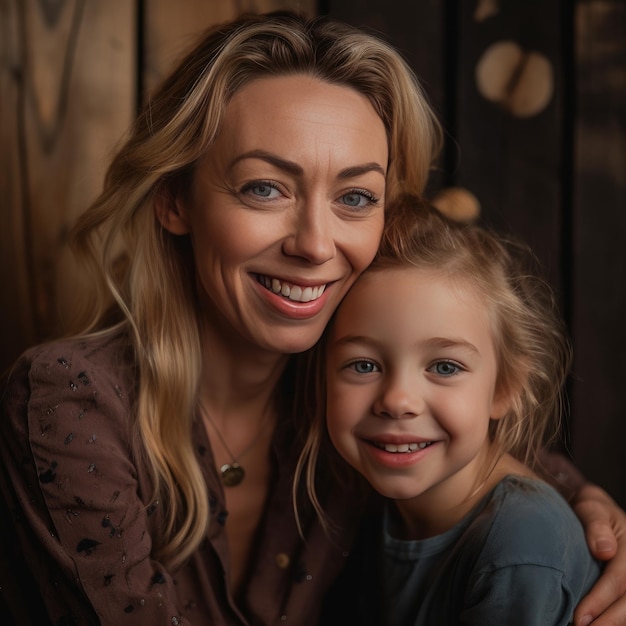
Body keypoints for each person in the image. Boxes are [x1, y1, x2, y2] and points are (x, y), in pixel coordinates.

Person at [0, 10, 623, 626]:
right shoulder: (72, 402)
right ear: (173, 199)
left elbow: (476, 445)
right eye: (266, 188)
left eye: (355, 197)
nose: (316, 245)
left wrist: (587, 516)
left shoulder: (352, 383)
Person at [304, 195, 601, 625]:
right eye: (364, 365)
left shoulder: (523, 542)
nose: (397, 400)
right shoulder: (370, 508)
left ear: (505, 387)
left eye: (445, 367)